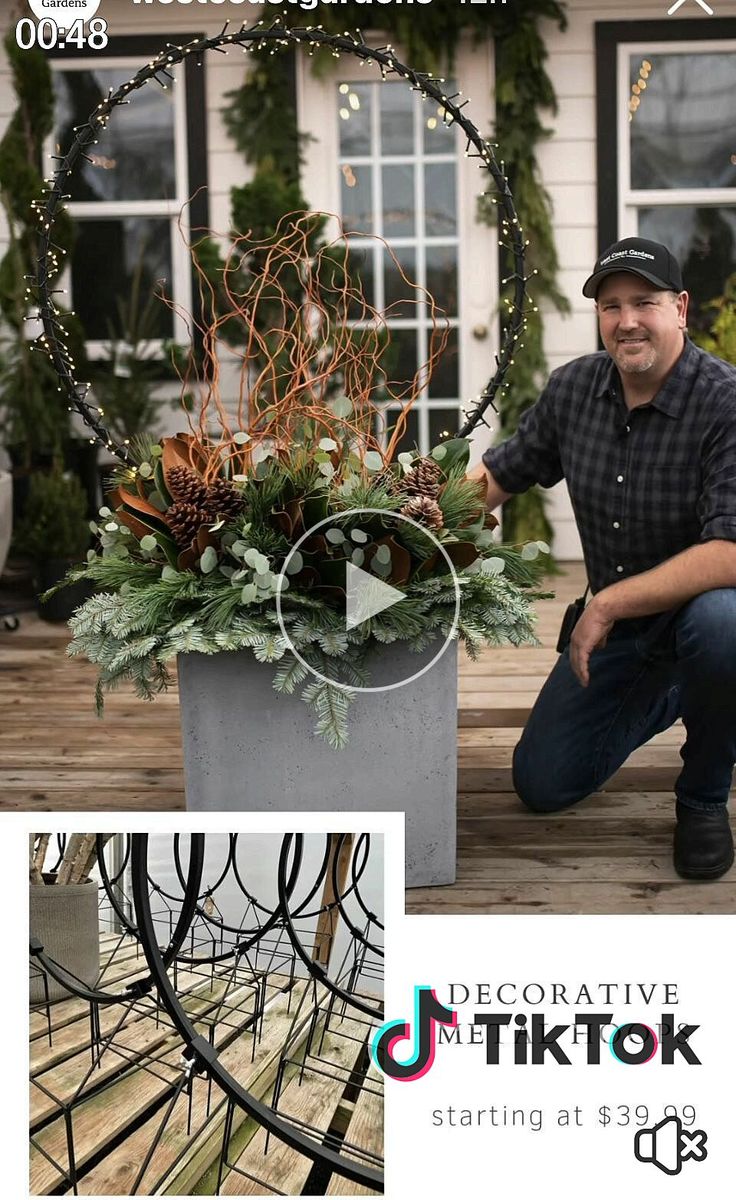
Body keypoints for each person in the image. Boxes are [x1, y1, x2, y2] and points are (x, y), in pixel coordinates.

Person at [468, 236, 736, 880]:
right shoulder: (574, 390)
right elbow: (499, 477)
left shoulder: (725, 400)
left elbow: (730, 554)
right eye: (610, 306)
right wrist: (404, 526)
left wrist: (606, 603)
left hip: (696, 617)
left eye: (644, 301)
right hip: (623, 640)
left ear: (680, 308)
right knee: (543, 784)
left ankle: (702, 796)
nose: (626, 320)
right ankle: (686, 687)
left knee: (722, 621)